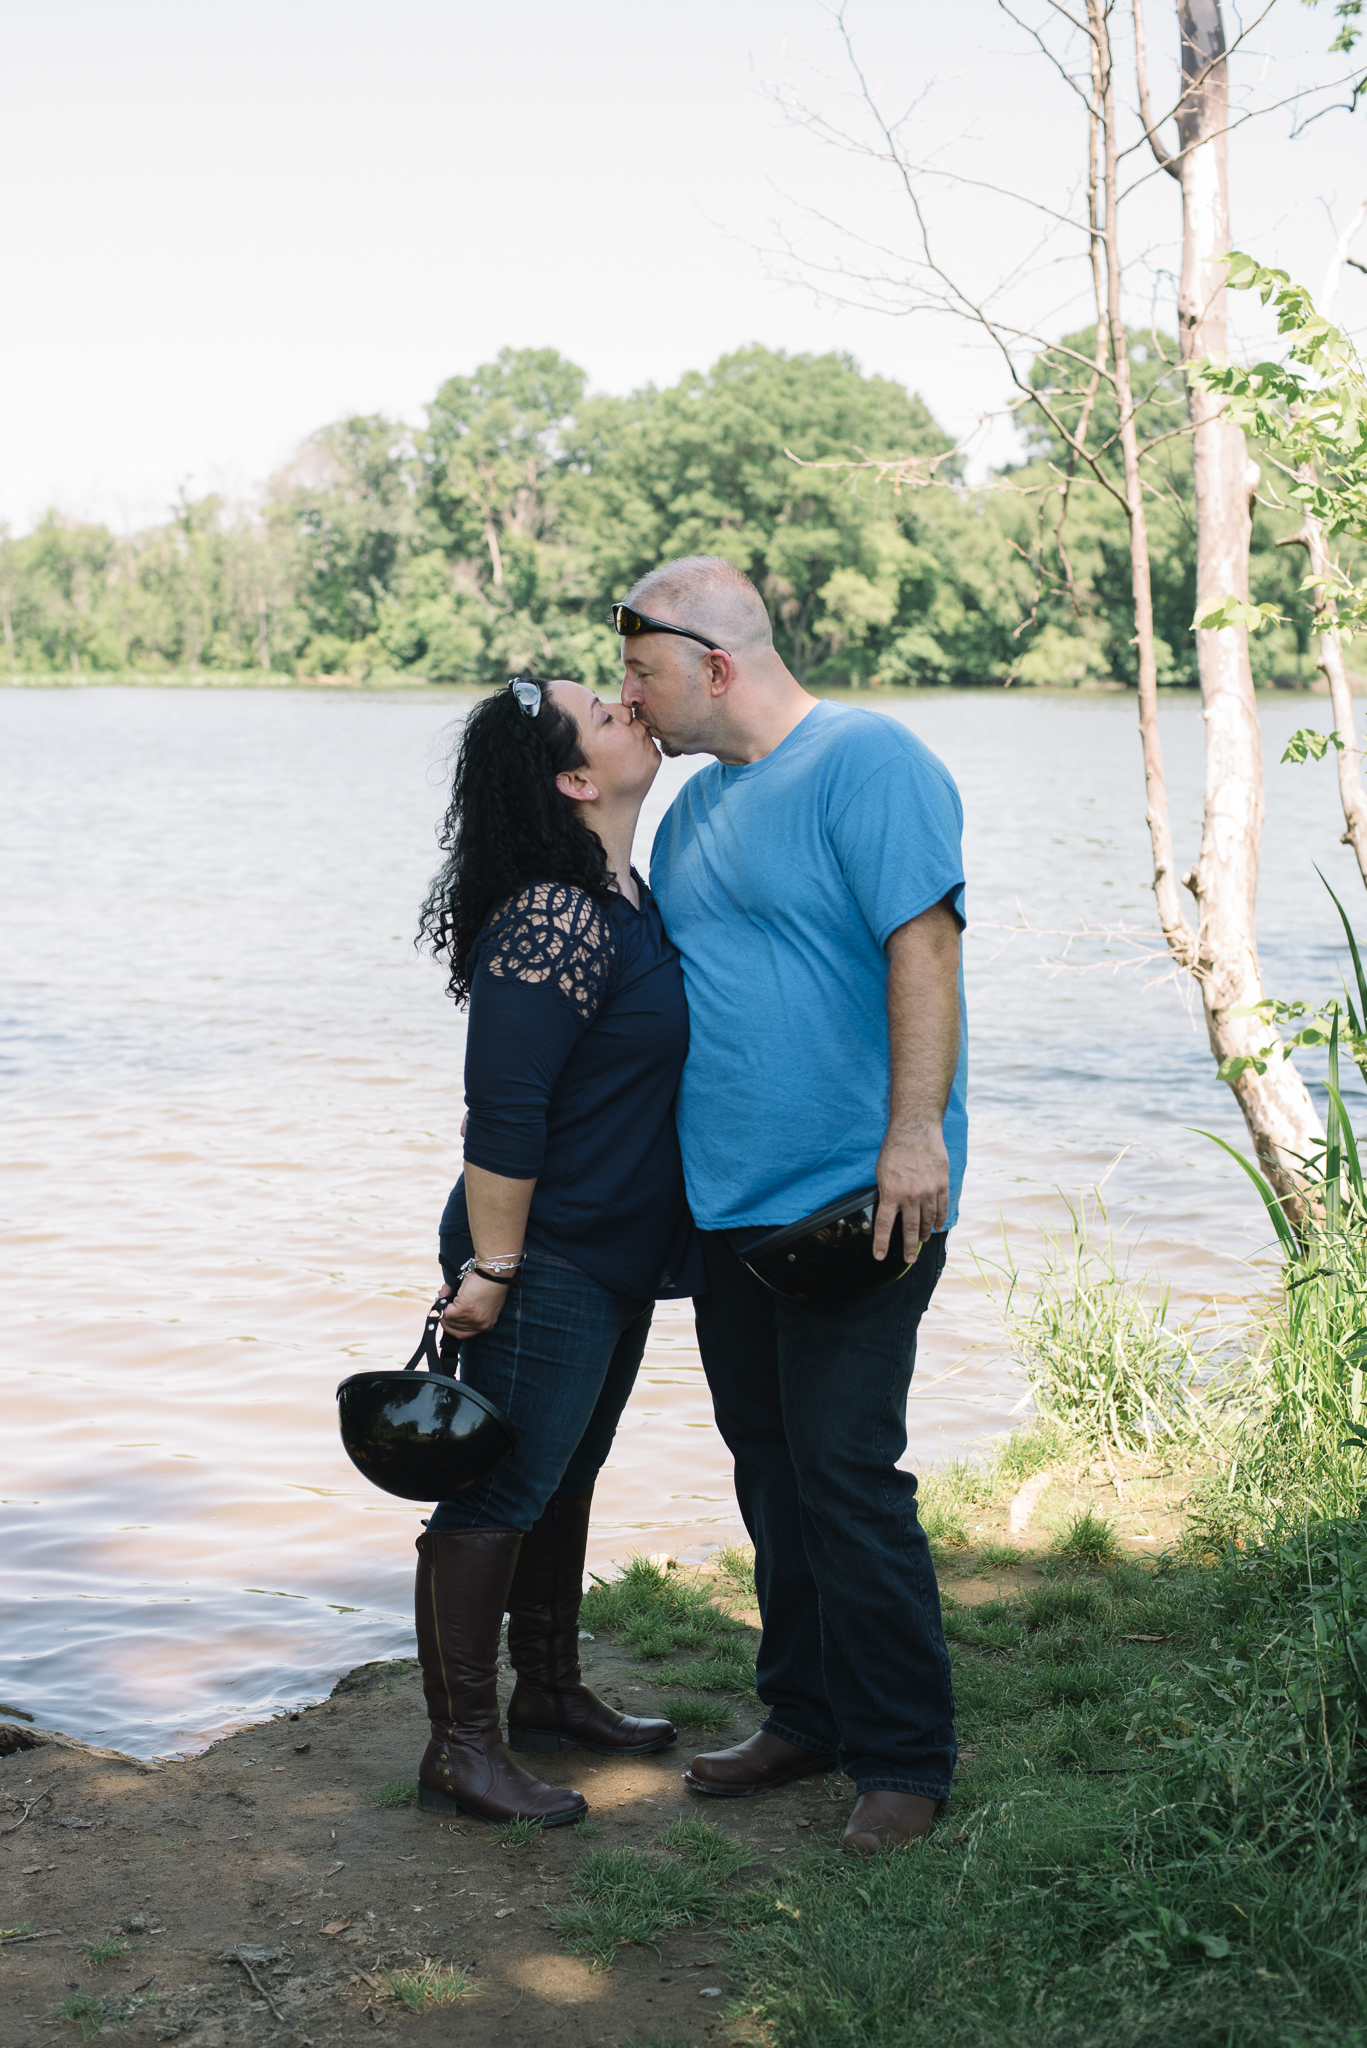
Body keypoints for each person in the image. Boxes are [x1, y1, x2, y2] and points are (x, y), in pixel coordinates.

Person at [618, 558, 968, 1857]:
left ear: (713, 663)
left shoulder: (865, 762)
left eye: (641, 672)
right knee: (769, 1471)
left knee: (843, 1473)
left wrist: (913, 1138)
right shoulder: (693, 810)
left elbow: (920, 946)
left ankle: (902, 1755)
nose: (627, 697)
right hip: (725, 1209)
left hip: (857, 1196)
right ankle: (805, 1712)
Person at [413, 674, 702, 1827]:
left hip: (612, 1246)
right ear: (575, 778)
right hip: (543, 1252)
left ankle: (551, 1692)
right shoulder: (552, 914)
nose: (631, 704)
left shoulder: (622, 892)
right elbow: (504, 1108)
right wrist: (491, 1270)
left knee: (561, 1474)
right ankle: (460, 1749)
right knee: (497, 1488)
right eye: (605, 710)